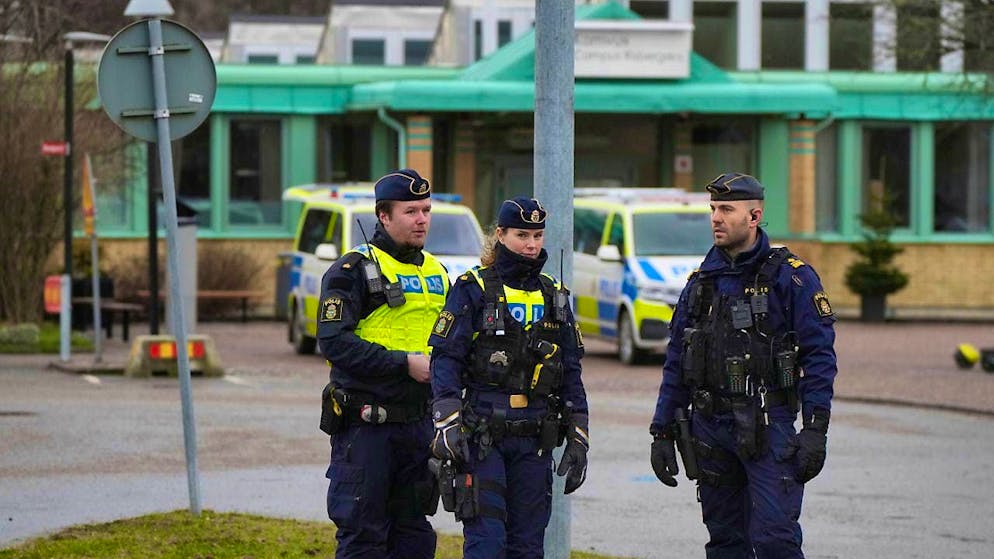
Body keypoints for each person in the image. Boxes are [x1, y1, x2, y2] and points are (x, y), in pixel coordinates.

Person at [649, 173, 838, 558]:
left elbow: (819, 357)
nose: (716, 218)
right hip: (710, 428)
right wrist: (662, 430)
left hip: (768, 426)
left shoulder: (792, 277)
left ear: (754, 216)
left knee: (775, 541)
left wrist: (816, 429)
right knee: (725, 543)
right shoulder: (702, 283)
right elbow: (676, 362)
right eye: (713, 209)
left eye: (726, 210)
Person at [428, 197, 589, 559]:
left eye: (538, 235)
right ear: (500, 234)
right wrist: (447, 420)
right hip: (484, 438)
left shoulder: (554, 294)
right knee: (487, 545)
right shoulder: (473, 287)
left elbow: (571, 372)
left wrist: (579, 433)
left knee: (528, 547)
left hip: (534, 440)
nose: (532, 245)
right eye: (522, 235)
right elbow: (446, 359)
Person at [317, 168, 448, 559]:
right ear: (384, 216)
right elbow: (334, 342)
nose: (422, 219)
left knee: (414, 535)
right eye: (410, 211)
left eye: (426, 210)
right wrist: (402, 364)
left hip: (419, 423)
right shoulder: (351, 270)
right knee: (364, 536)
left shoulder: (438, 272)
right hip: (367, 426)